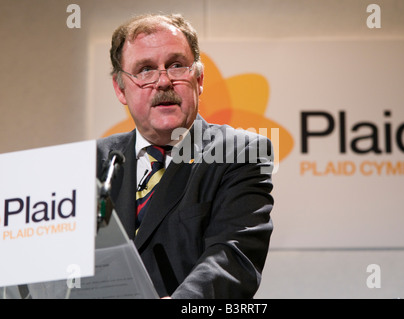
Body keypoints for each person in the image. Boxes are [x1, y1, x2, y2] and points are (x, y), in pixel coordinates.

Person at [96, 13, 274, 299]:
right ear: (120, 88)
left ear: (199, 79)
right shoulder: (94, 161)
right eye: (145, 70)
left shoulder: (241, 154)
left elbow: (233, 254)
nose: (163, 81)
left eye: (177, 65)